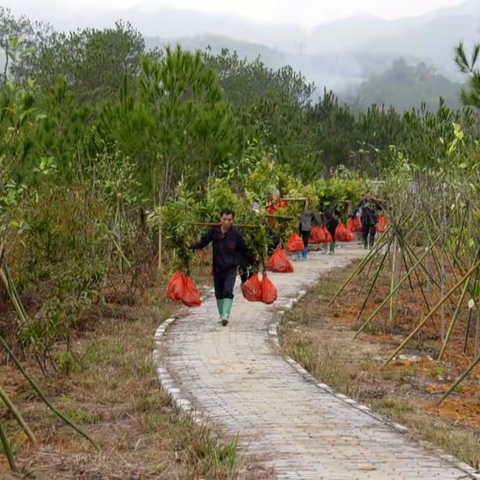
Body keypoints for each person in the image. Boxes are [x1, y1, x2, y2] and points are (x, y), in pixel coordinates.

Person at [189, 209, 256, 326]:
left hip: (231, 267)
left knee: (228, 290)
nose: (226, 222)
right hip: (217, 267)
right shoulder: (214, 231)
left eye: (229, 220)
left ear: (232, 220)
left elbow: (244, 248)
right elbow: (203, 242)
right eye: (224, 219)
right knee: (218, 292)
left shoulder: (235, 234)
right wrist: (190, 246)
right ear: (220, 219)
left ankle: (226, 315)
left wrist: (253, 260)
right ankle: (221, 315)